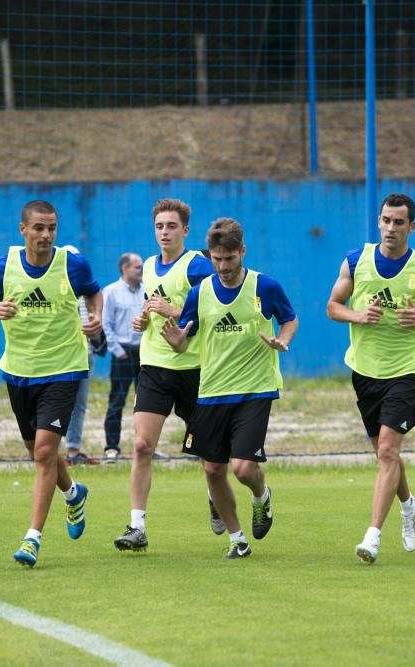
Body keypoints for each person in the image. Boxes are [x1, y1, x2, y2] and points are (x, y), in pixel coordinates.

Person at [0, 200, 103, 568]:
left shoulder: (72, 264)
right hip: (19, 371)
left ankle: (32, 539)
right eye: (39, 228)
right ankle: (73, 494)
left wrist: (96, 318)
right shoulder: (2, 268)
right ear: (23, 229)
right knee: (36, 451)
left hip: (63, 369)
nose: (46, 235)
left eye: (52, 228)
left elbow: (94, 291)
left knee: (45, 452)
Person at [327, 193, 415, 565]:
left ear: (411, 227)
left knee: (387, 452)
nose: (390, 228)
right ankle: (409, 504)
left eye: (399, 222)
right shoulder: (356, 261)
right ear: (378, 222)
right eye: (386, 220)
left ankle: (372, 536)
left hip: (408, 372)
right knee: (385, 454)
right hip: (365, 372)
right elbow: (332, 307)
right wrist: (357, 315)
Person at [161, 217, 298, 559]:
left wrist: (282, 340)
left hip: (255, 389)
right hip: (211, 392)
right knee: (211, 469)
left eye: (229, 259)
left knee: (243, 468)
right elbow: (184, 338)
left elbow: (290, 319)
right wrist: (177, 342)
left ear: (242, 252)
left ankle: (261, 496)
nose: (222, 267)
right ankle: (237, 539)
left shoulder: (265, 288)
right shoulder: (199, 293)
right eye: (216, 259)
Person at [113, 198, 219, 552]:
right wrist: (144, 318)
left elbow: (215, 310)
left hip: (194, 367)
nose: (164, 232)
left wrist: (172, 309)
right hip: (156, 365)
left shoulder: (198, 266)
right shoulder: (148, 267)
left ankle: (216, 496)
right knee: (142, 445)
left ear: (185, 230)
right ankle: (136, 526)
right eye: (159, 226)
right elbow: (151, 306)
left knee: (208, 454)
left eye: (171, 226)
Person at [61, 245, 107, 466]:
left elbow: (95, 318)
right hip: (61, 356)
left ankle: (72, 450)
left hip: (85, 353)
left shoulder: (86, 291)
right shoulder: (57, 289)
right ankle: (47, 449)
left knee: (79, 404)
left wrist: (95, 321)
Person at [101, 252, 145, 460]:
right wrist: (118, 352)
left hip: (145, 353)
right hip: (123, 354)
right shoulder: (111, 292)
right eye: (137, 266)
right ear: (124, 268)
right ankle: (112, 447)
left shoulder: (148, 290)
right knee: (117, 401)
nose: (141, 270)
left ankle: (144, 446)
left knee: (145, 403)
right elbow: (105, 325)